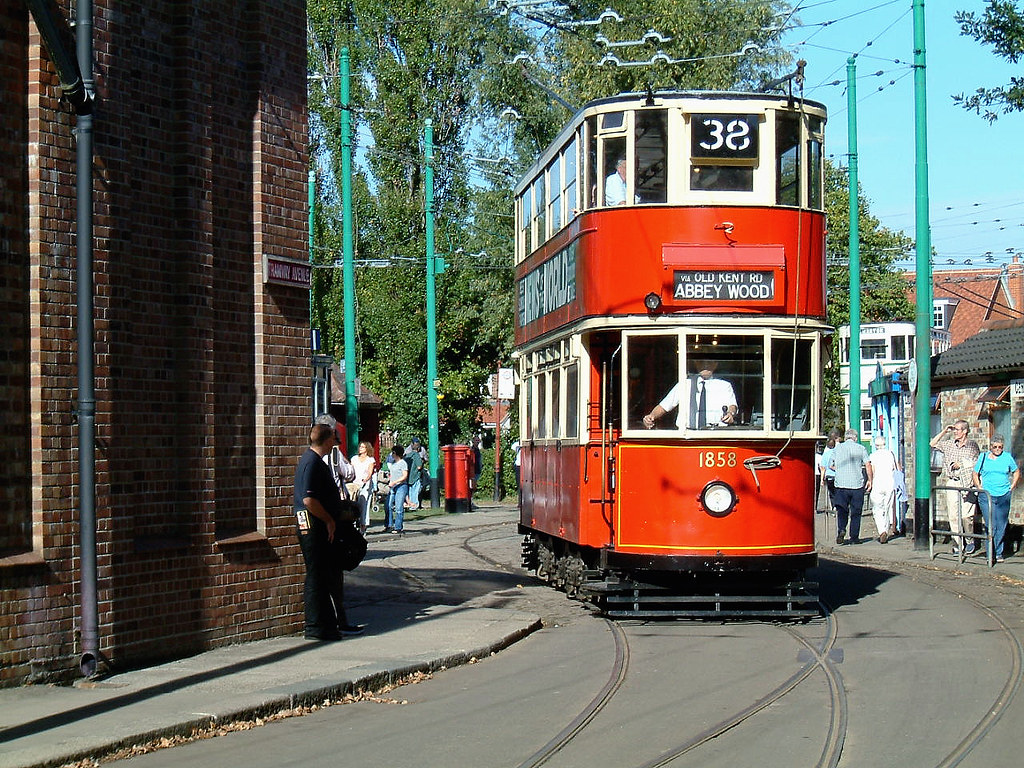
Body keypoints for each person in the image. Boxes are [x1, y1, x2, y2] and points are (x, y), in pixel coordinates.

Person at [293, 423, 363, 640]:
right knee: (317, 576)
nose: (336, 442)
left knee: (322, 575)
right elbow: (308, 500)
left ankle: (326, 624)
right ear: (326, 440)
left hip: (319, 526)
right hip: (314, 528)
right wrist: (328, 520)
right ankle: (316, 626)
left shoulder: (314, 461)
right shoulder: (311, 463)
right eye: (334, 438)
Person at [930, 420, 981, 555]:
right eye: (954, 429)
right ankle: (958, 543)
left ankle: (970, 540)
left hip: (967, 482)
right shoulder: (949, 444)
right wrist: (944, 431)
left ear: (965, 431)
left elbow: (976, 462)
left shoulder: (972, 446)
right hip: (952, 481)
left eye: (957, 430)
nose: (955, 432)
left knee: (966, 516)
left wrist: (962, 463)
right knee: (953, 515)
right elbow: (932, 444)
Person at [642, 359, 737, 430]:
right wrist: (651, 416)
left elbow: (732, 406)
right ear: (696, 364)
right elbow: (664, 406)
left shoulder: (724, 385)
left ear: (715, 365)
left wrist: (730, 414)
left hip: (716, 435)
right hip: (688, 435)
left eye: (708, 362)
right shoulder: (684, 384)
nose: (704, 365)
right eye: (701, 362)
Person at [973, 434, 1020, 563]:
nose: (998, 449)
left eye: (1000, 447)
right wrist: (979, 486)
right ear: (991, 447)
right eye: (995, 447)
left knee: (1001, 525)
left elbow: (1016, 471)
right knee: (991, 525)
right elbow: (975, 473)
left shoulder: (1007, 457)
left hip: (1003, 495)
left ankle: (998, 552)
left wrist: (1012, 485)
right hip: (987, 495)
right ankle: (990, 553)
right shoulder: (983, 457)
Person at [830, 428, 873, 545]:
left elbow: (830, 465)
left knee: (842, 510)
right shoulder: (861, 448)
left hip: (841, 485)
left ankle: (841, 530)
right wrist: (870, 480)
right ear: (856, 438)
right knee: (856, 512)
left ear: (845, 437)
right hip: (857, 485)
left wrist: (839, 470)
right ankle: (854, 537)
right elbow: (868, 464)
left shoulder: (837, 448)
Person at [868, 436, 900, 543]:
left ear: (876, 445)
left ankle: (881, 530)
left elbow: (872, 470)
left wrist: (870, 482)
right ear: (885, 444)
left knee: (877, 508)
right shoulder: (890, 454)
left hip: (878, 482)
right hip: (890, 482)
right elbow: (897, 468)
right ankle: (886, 529)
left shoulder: (873, 456)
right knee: (887, 507)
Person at [349, 441, 376, 534]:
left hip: (365, 485)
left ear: (367, 449)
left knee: (363, 504)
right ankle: (353, 523)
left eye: (363, 447)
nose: (360, 448)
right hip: (355, 484)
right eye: (360, 447)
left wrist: (366, 479)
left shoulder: (370, 460)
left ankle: (363, 524)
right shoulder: (354, 459)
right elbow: (350, 470)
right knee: (353, 503)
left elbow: (370, 472)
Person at [386, 444, 409, 534]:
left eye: (393, 452)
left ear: (397, 453)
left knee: (399, 507)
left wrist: (395, 482)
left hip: (401, 487)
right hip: (393, 487)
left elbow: (404, 476)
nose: (392, 454)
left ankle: (398, 527)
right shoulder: (393, 464)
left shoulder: (403, 463)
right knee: (388, 506)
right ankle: (389, 525)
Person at [820, 430, 839, 512]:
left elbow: (823, 468)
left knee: (831, 493)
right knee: (838, 492)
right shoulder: (838, 453)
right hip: (837, 476)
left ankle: (833, 506)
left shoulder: (825, 454)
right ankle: (838, 506)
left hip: (829, 476)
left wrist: (822, 479)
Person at [405, 437, 424, 510]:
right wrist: (422, 463)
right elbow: (419, 467)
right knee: (415, 492)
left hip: (409, 477)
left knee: (410, 492)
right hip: (416, 476)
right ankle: (414, 505)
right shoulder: (416, 455)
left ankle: (410, 505)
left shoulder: (408, 455)